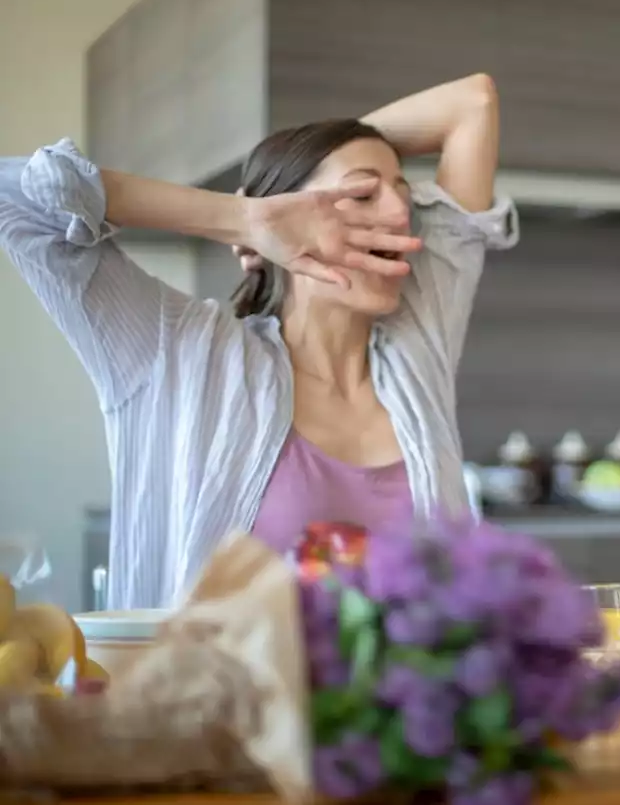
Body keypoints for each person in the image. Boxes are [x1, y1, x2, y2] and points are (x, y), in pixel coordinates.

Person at [1, 73, 516, 610]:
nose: (398, 213)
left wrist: (342, 146)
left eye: (401, 193)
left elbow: (472, 102)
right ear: (283, 217)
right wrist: (246, 217)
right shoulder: (180, 353)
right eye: (364, 192)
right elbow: (18, 199)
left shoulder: (417, 348)